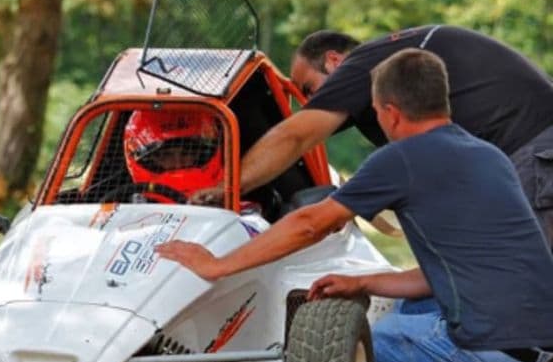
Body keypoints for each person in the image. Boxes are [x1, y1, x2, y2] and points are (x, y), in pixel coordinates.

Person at [157, 48, 553, 362]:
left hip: (497, 354)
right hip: (541, 350)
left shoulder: (400, 159)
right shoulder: (489, 155)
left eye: (376, 113)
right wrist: (363, 282)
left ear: (391, 113)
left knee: (332, 358)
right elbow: (451, 272)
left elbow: (311, 223)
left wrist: (218, 264)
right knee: (405, 311)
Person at [194, 25, 553, 248]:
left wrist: (225, 188)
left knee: (528, 289)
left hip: (535, 150)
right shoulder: (404, 97)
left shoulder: (365, 64)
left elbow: (296, 136)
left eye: (308, 88)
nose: (307, 102)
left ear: (334, 61)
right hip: (528, 150)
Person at [123, 109, 222, 202]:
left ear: (200, 155)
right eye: (167, 155)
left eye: (186, 153)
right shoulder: (127, 203)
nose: (178, 163)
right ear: (150, 161)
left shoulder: (225, 192)